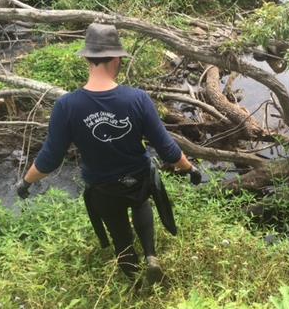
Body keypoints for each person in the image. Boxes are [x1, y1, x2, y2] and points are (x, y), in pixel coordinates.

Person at [15, 23, 201, 284]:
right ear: (116, 58)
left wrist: (26, 182)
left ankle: (135, 279)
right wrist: (190, 168)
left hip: (103, 188)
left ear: (88, 59)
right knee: (141, 203)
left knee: (119, 232)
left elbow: (50, 158)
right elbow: (167, 148)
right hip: (139, 179)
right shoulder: (137, 98)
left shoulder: (66, 106)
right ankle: (151, 256)